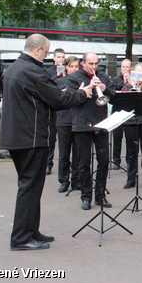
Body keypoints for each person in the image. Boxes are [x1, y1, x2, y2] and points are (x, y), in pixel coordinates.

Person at [0, 34, 90, 251]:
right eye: (48, 52)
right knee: (29, 187)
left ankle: (31, 230)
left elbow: (40, 96)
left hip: (17, 136)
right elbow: (59, 101)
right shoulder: (33, 72)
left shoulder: (14, 68)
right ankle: (21, 237)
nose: (48, 56)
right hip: (31, 138)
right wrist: (82, 93)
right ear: (39, 50)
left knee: (31, 185)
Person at [67, 52, 115, 210]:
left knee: (103, 161)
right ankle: (86, 196)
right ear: (83, 63)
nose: (94, 67)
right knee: (83, 163)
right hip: (82, 124)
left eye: (96, 64)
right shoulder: (74, 77)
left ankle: (100, 196)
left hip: (101, 123)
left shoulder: (103, 76)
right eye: (91, 64)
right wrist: (89, 87)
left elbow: (113, 97)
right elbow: (71, 99)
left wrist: (104, 88)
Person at [57, 56, 82, 193]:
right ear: (66, 67)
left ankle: (76, 180)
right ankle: (63, 180)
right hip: (63, 120)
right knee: (64, 153)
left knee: (78, 153)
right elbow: (56, 99)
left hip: (78, 120)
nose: (74, 69)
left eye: (76, 66)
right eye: (71, 66)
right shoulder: (59, 82)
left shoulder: (81, 81)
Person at [45, 48, 66, 175]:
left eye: (63, 57)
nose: (61, 59)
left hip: (65, 109)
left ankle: (65, 165)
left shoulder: (68, 71)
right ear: (54, 58)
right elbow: (46, 85)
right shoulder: (48, 71)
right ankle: (48, 164)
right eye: (59, 57)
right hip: (54, 110)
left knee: (65, 141)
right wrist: (57, 76)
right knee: (51, 138)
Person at [111, 58, 132, 170]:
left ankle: (129, 160)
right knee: (117, 138)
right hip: (117, 112)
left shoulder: (133, 80)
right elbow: (112, 93)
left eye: (127, 67)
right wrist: (123, 84)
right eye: (123, 67)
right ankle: (116, 161)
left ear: (130, 68)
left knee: (129, 138)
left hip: (128, 112)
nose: (125, 69)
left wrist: (130, 83)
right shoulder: (115, 80)